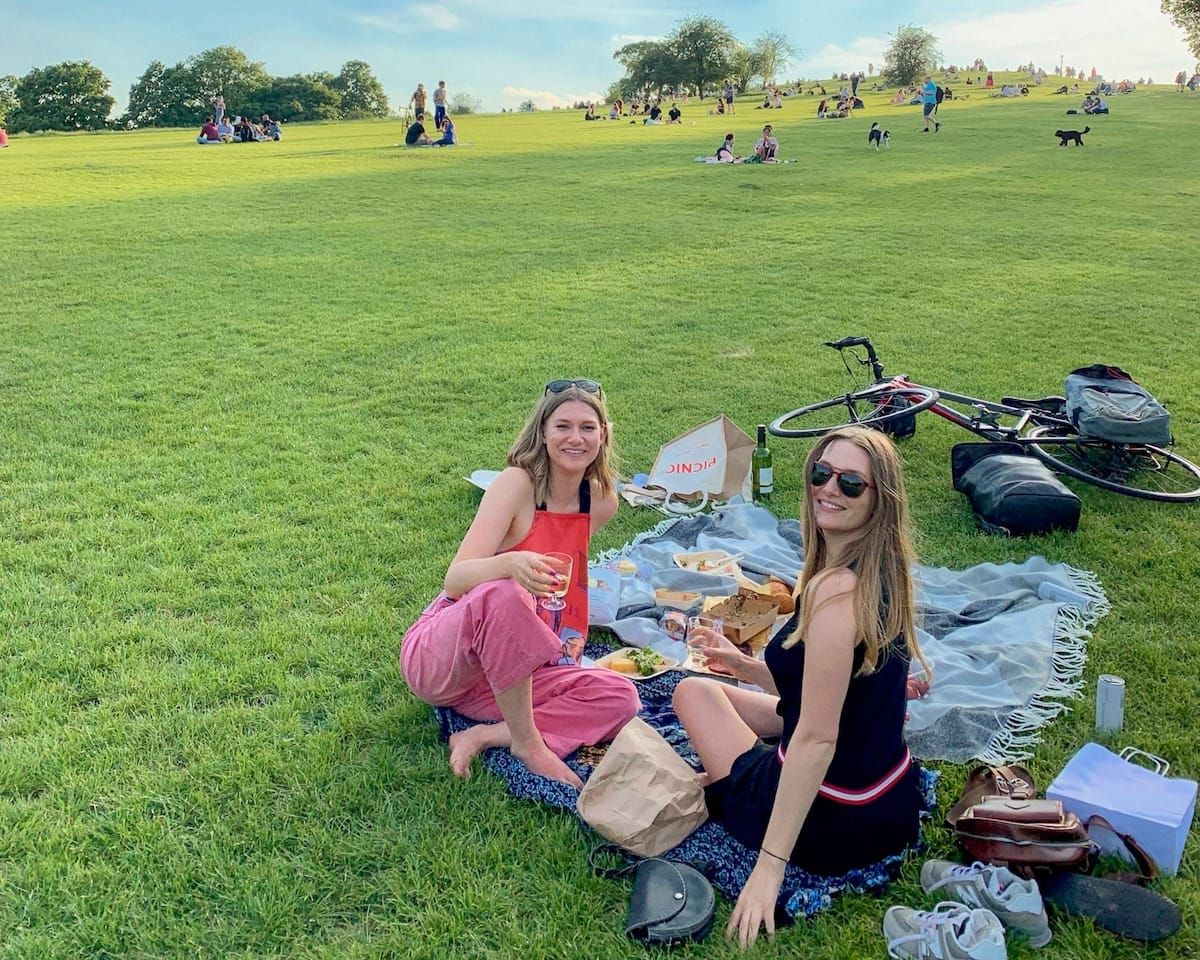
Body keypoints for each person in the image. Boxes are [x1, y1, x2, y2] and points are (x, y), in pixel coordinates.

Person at [674, 427, 932, 948]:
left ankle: (744, 796)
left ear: (880, 499)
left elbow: (816, 737)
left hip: (831, 821)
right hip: (890, 804)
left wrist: (769, 869)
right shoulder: (885, 575)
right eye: (821, 472)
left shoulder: (835, 593)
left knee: (690, 694)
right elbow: (823, 688)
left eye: (851, 483)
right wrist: (739, 665)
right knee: (715, 685)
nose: (829, 489)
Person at [400, 381, 640, 787]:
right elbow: (455, 581)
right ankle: (529, 744)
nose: (575, 438)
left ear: (604, 434)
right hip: (448, 660)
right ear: (543, 433)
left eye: (588, 427)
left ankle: (485, 734)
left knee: (621, 697)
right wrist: (510, 563)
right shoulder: (516, 485)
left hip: (514, 677)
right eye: (563, 426)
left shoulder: (600, 499)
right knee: (505, 592)